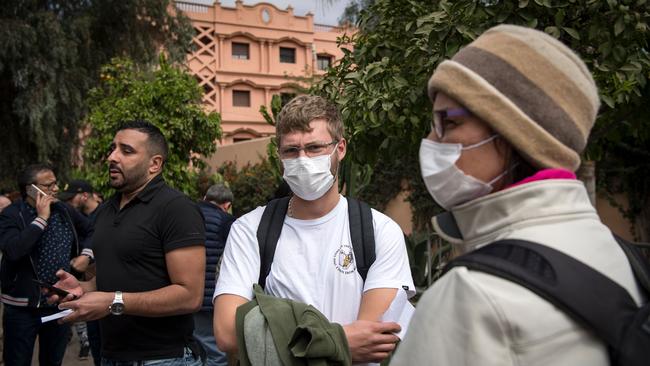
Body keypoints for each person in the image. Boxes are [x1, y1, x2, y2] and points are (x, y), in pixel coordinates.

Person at [391, 24, 645, 365]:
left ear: (518, 134)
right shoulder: (624, 256)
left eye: (448, 123)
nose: (431, 142)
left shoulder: (472, 294)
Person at [213, 95, 415, 364]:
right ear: (279, 155)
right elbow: (228, 334)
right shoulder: (250, 230)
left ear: (340, 148)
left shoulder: (378, 231)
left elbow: (373, 340)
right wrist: (340, 342)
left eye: (315, 147)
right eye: (291, 151)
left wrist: (276, 333)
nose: (303, 159)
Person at [51, 120, 207, 365]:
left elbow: (190, 295)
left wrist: (114, 302)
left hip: (164, 358)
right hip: (110, 355)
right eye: (113, 148)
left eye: (127, 151)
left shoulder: (176, 208)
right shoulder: (105, 211)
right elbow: (115, 276)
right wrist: (83, 289)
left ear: (154, 164)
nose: (112, 157)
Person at [0, 163, 94, 366]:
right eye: (49, 185)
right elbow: (13, 250)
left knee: (53, 360)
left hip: (58, 302)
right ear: (31, 189)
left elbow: (92, 229)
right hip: (21, 307)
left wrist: (86, 254)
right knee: (16, 361)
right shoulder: (12, 214)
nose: (56, 189)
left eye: (55, 183)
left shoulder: (64, 210)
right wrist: (42, 219)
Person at [58, 179, 102, 363]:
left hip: (101, 280)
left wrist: (87, 256)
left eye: (72, 198)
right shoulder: (78, 217)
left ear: (85, 195)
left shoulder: (105, 213)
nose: (69, 202)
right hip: (81, 279)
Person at [195, 183, 235, 366]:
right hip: (210, 297)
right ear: (227, 205)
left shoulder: (187, 214)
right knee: (215, 352)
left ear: (205, 198)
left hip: (183, 295)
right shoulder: (226, 222)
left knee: (194, 350)